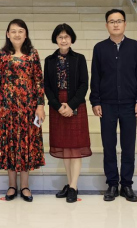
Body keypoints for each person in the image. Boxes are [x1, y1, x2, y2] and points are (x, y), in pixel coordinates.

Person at [90, 9, 137, 202]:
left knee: (128, 146)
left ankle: (127, 185)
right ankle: (112, 184)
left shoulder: (135, 46)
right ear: (106, 25)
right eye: (112, 21)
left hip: (130, 104)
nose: (116, 24)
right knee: (109, 146)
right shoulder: (99, 48)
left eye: (119, 21)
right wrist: (95, 101)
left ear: (125, 24)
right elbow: (95, 77)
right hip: (107, 104)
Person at [0, 19, 45, 203]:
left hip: (28, 109)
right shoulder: (1, 54)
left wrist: (40, 106)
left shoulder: (33, 54)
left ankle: (25, 186)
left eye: (20, 31)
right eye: (13, 31)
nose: (17, 34)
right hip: (7, 109)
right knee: (10, 145)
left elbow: (39, 81)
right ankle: (12, 185)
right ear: (8, 34)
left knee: (26, 145)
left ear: (26, 34)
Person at [44, 23, 91, 203]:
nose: (63, 40)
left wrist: (71, 105)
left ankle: (73, 186)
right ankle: (70, 183)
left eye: (67, 37)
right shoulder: (49, 60)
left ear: (72, 39)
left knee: (75, 147)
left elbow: (84, 84)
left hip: (75, 104)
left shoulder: (79, 58)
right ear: (56, 39)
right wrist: (58, 106)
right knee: (65, 146)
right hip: (57, 106)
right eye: (60, 37)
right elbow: (47, 86)